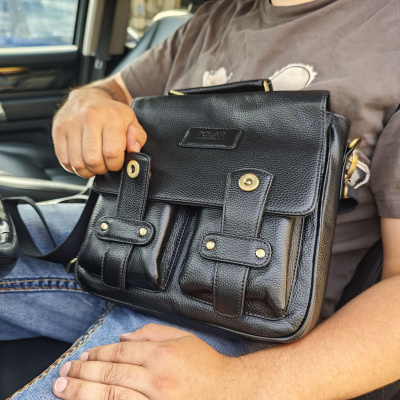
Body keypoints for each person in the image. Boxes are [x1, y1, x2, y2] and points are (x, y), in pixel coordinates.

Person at [2, 0, 400, 398]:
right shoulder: (213, 19)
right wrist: (86, 103)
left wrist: (237, 384)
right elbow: (112, 90)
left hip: (249, 320)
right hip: (128, 252)